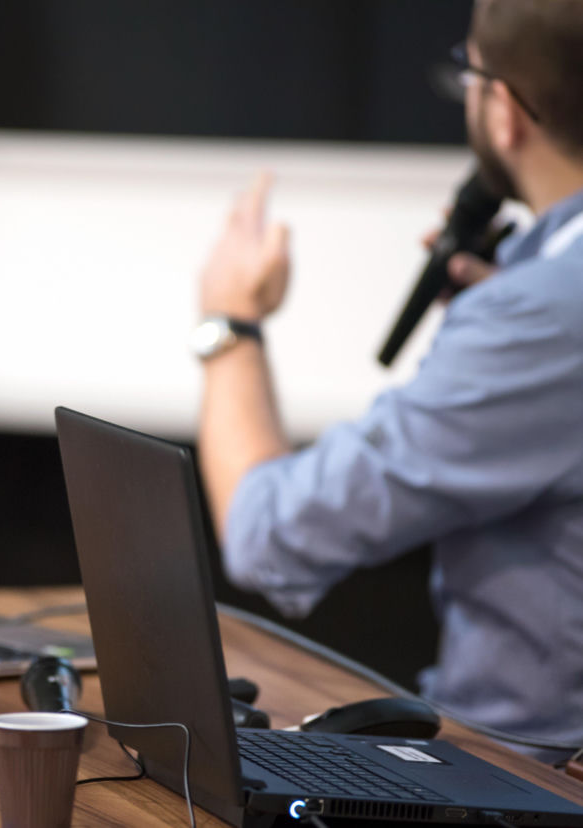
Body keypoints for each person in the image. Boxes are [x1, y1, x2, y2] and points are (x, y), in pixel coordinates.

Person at [195, 0, 583, 761]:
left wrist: (230, 325)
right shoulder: (539, 296)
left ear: (504, 111)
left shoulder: (541, 315)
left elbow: (268, 533)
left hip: (529, 779)